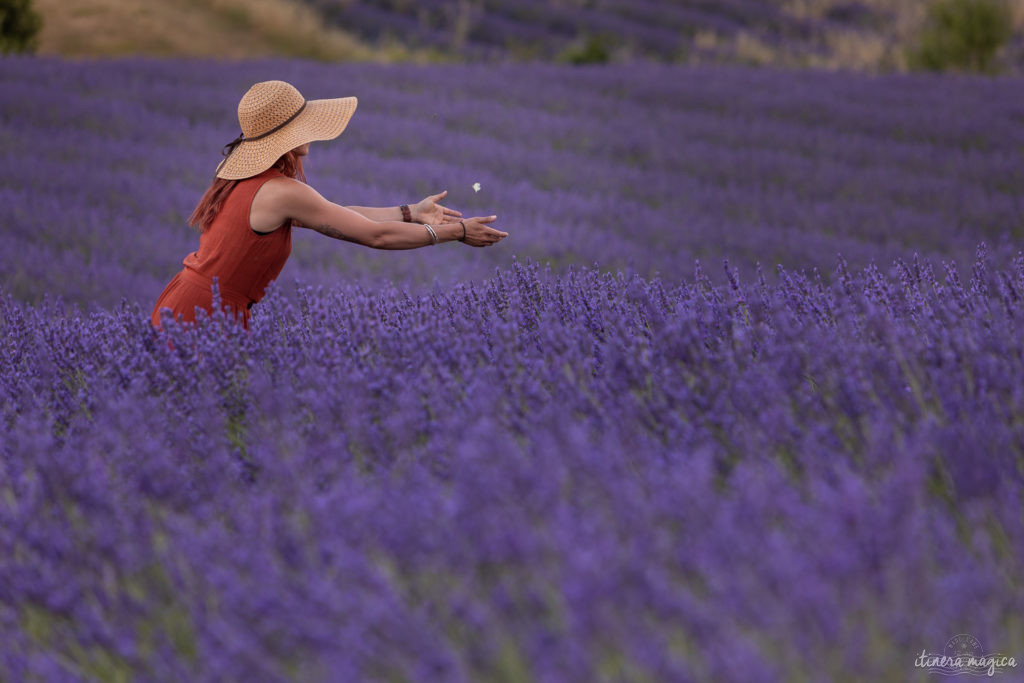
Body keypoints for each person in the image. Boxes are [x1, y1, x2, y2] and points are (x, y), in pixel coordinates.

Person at [151, 79, 507, 330]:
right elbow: (376, 237)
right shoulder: (282, 191)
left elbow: (338, 214)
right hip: (205, 316)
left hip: (184, 302)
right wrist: (456, 232)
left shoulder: (242, 179)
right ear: (284, 137)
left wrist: (411, 213)